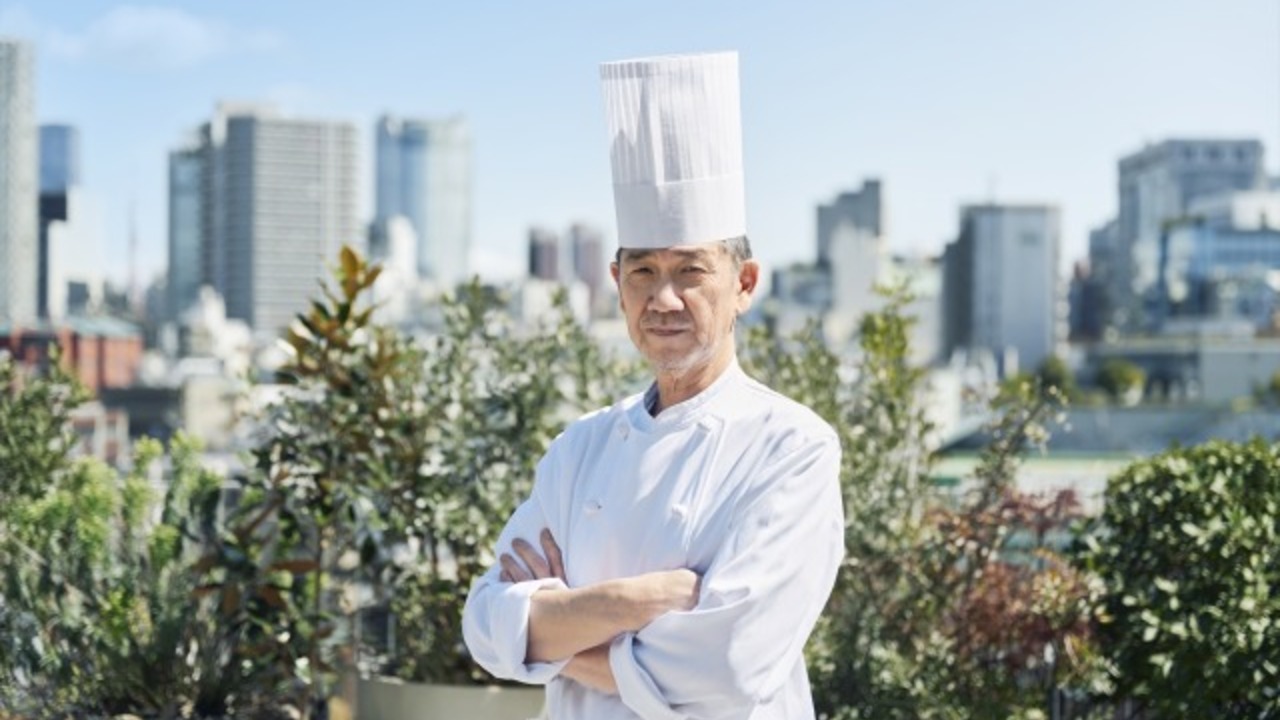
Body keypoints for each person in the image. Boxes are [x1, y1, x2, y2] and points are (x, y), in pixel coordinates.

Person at [462, 50, 844, 720]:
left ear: (744, 284)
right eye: (643, 272)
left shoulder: (792, 448)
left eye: (690, 271)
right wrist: (630, 603)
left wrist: (552, 637)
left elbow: (727, 668)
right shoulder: (579, 448)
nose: (663, 299)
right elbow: (486, 628)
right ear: (617, 285)